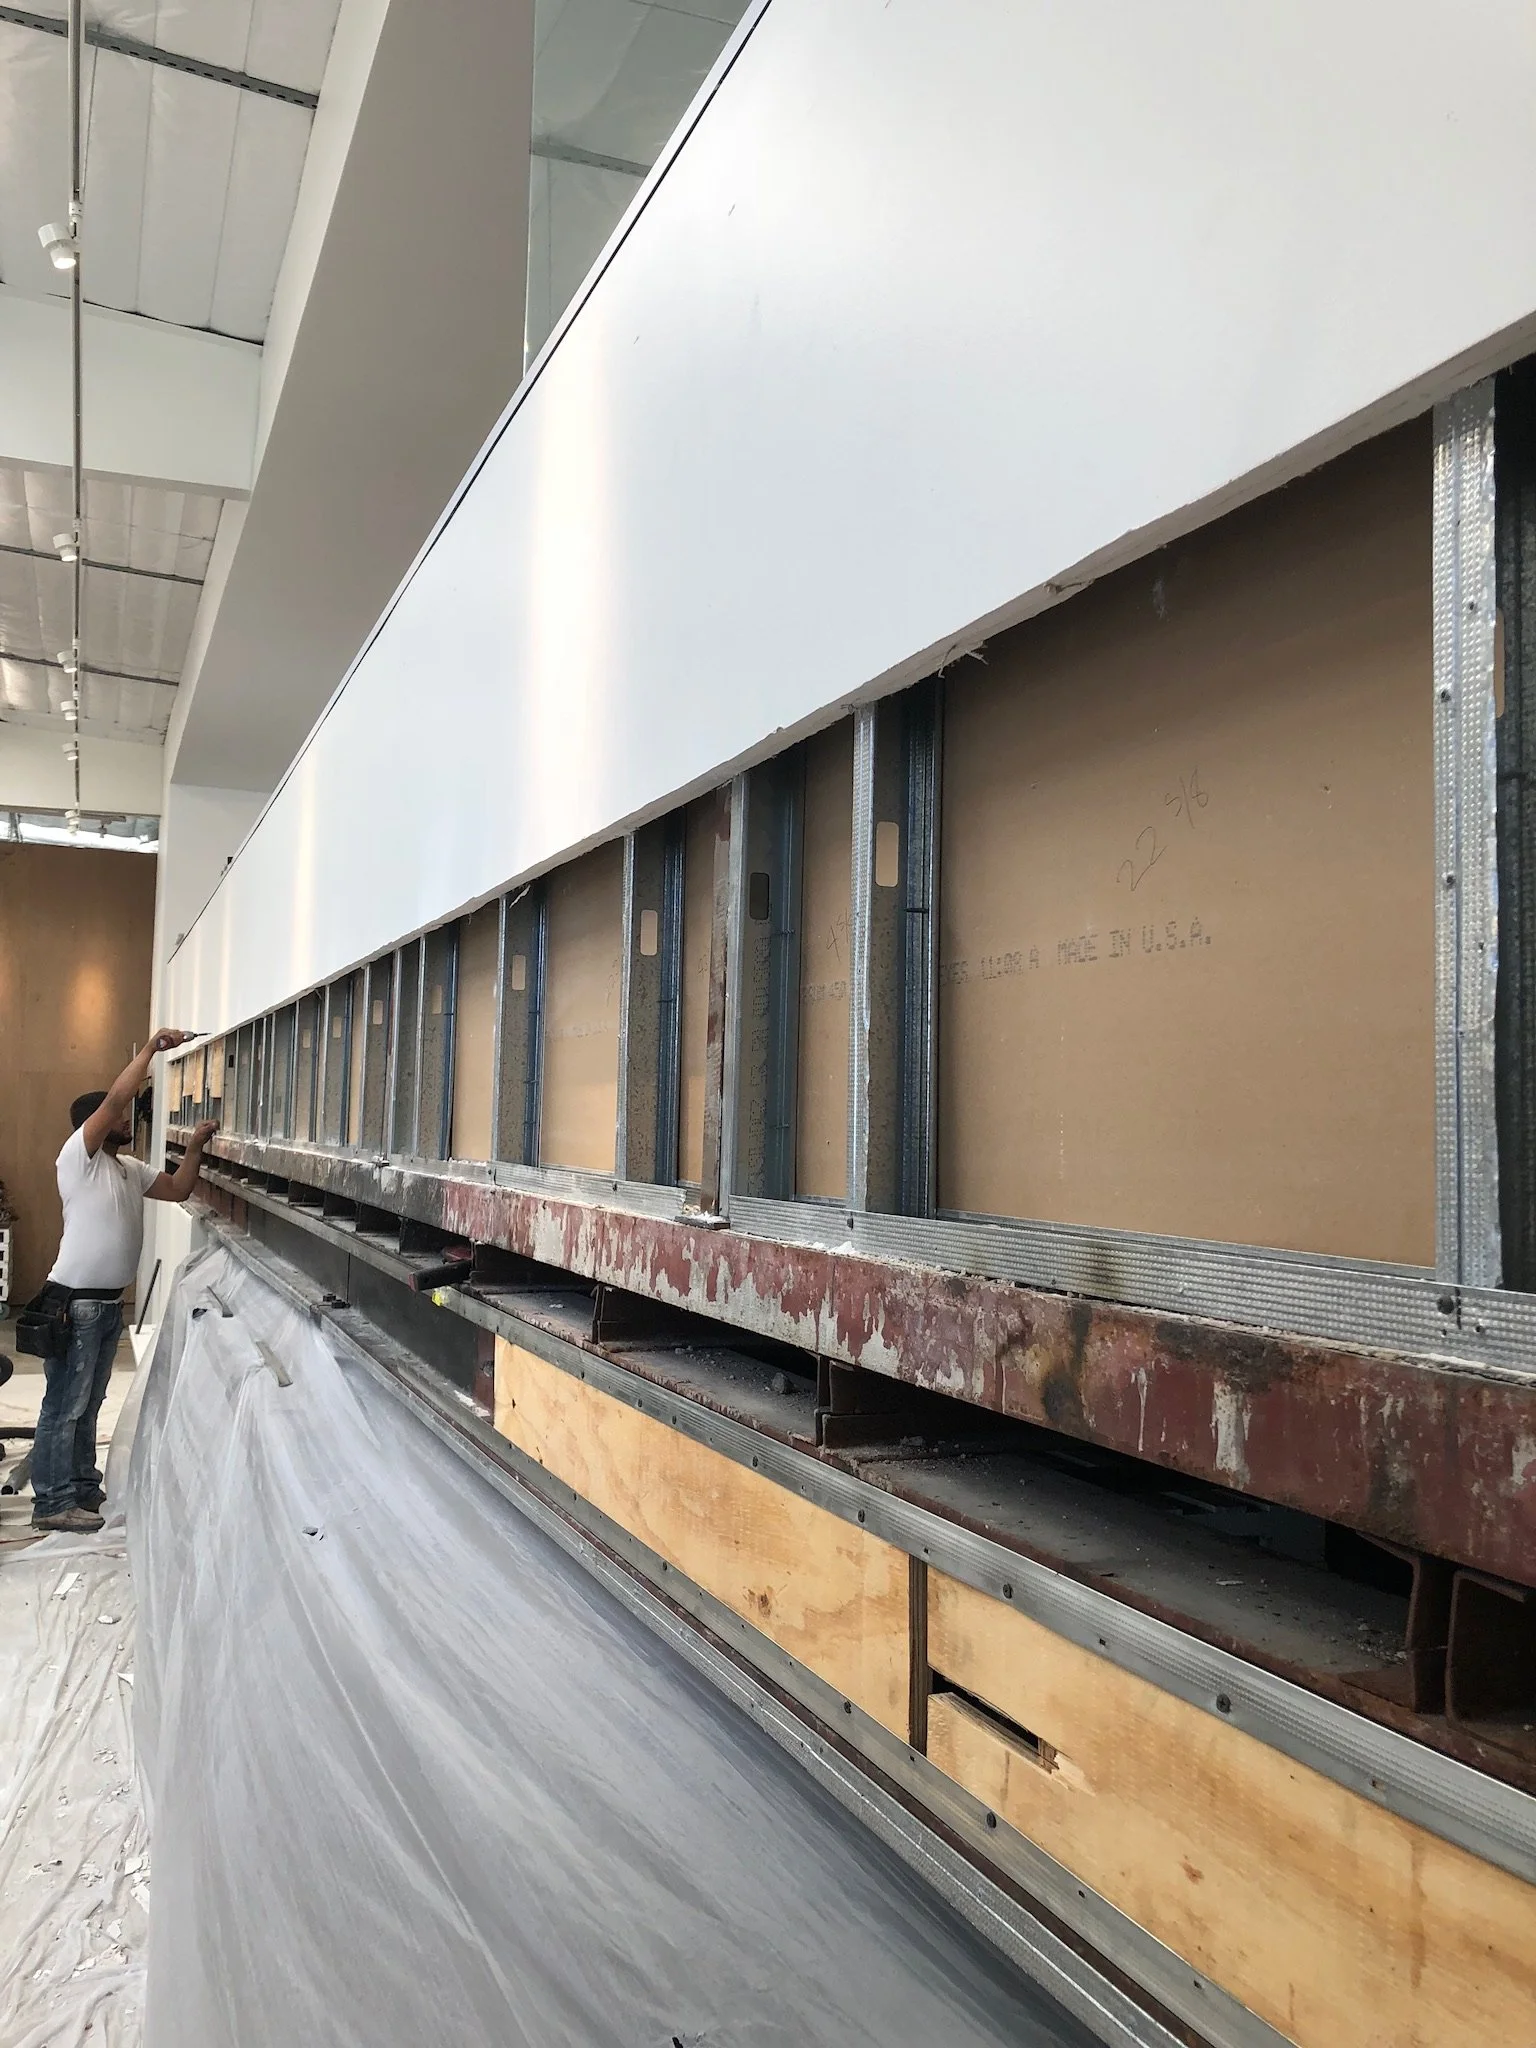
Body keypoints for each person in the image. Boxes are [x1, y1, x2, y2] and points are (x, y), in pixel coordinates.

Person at [30, 1029, 218, 1533]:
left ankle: (82, 1489)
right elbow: (116, 1100)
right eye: (119, 1118)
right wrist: (154, 1050)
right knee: (64, 1404)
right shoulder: (79, 1159)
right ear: (97, 1125)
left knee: (88, 1402)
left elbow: (179, 1189)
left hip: (107, 1305)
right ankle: (51, 1502)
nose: (128, 1121)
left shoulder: (128, 1169)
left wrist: (196, 1146)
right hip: (76, 1302)